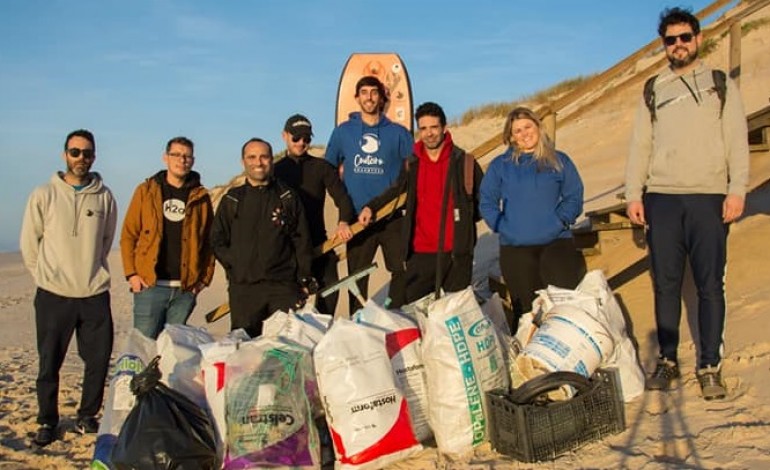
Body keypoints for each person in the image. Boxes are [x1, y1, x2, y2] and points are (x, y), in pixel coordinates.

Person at [625, 7, 749, 400]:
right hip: (662, 197)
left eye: (684, 37)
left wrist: (737, 190)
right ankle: (668, 361)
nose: (678, 45)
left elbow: (736, 141)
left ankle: (710, 365)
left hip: (709, 196)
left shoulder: (719, 83)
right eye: (670, 40)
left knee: (711, 284)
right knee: (665, 283)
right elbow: (640, 146)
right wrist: (633, 194)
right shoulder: (653, 88)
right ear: (664, 46)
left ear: (698, 39)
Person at [20, 129, 118, 447]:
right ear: (65, 154)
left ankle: (87, 416)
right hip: (53, 295)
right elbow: (29, 243)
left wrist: (89, 272)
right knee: (49, 361)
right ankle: (47, 420)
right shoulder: (43, 194)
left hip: (93, 294)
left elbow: (104, 242)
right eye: (75, 152)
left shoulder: (104, 196)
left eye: (87, 153)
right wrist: (45, 277)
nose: (81, 158)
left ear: (94, 156)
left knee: (99, 359)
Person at [358, 102, 483, 304]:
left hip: (457, 255)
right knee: (415, 315)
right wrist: (371, 206)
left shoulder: (464, 162)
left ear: (444, 127)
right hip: (420, 253)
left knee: (454, 319)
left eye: (434, 127)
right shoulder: (412, 163)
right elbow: (395, 190)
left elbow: (481, 203)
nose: (429, 133)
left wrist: (463, 226)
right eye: (423, 128)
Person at [479, 107, 585, 332]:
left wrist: (560, 221)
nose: (524, 133)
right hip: (516, 247)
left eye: (528, 127)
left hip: (556, 242)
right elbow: (487, 201)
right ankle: (530, 361)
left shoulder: (558, 160)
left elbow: (574, 195)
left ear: (538, 127)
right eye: (517, 130)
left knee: (562, 308)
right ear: (510, 136)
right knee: (525, 313)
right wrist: (502, 226)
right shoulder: (501, 165)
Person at [211, 138, 315, 338]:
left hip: (282, 288)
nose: (258, 162)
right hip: (245, 290)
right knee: (245, 352)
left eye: (264, 157)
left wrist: (303, 276)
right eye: (252, 157)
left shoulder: (287, 197)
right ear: (243, 162)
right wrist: (236, 264)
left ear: (271, 160)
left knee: (285, 350)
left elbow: (301, 239)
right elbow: (217, 239)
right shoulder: (232, 199)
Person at [325, 75, 413, 311]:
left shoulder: (398, 133)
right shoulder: (343, 132)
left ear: (382, 97)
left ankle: (393, 313)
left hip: (391, 215)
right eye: (364, 92)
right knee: (357, 278)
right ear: (356, 97)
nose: (369, 97)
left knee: (401, 271)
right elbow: (328, 171)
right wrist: (344, 210)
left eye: (374, 92)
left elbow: (413, 169)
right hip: (358, 219)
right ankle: (358, 324)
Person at [120, 136, 215, 339]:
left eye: (187, 156)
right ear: (166, 158)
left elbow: (209, 242)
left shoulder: (201, 196)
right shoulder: (146, 191)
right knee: (144, 348)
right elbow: (129, 234)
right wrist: (132, 275)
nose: (182, 160)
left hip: (184, 290)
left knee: (174, 350)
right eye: (177, 155)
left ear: (193, 160)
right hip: (149, 286)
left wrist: (203, 281)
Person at [274, 114, 355, 315]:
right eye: (296, 138)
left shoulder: (322, 168)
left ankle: (321, 329)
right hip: (286, 248)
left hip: (318, 243)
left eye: (307, 139)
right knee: (289, 302)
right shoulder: (275, 171)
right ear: (285, 136)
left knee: (331, 286)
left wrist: (344, 221)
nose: (302, 143)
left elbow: (343, 198)